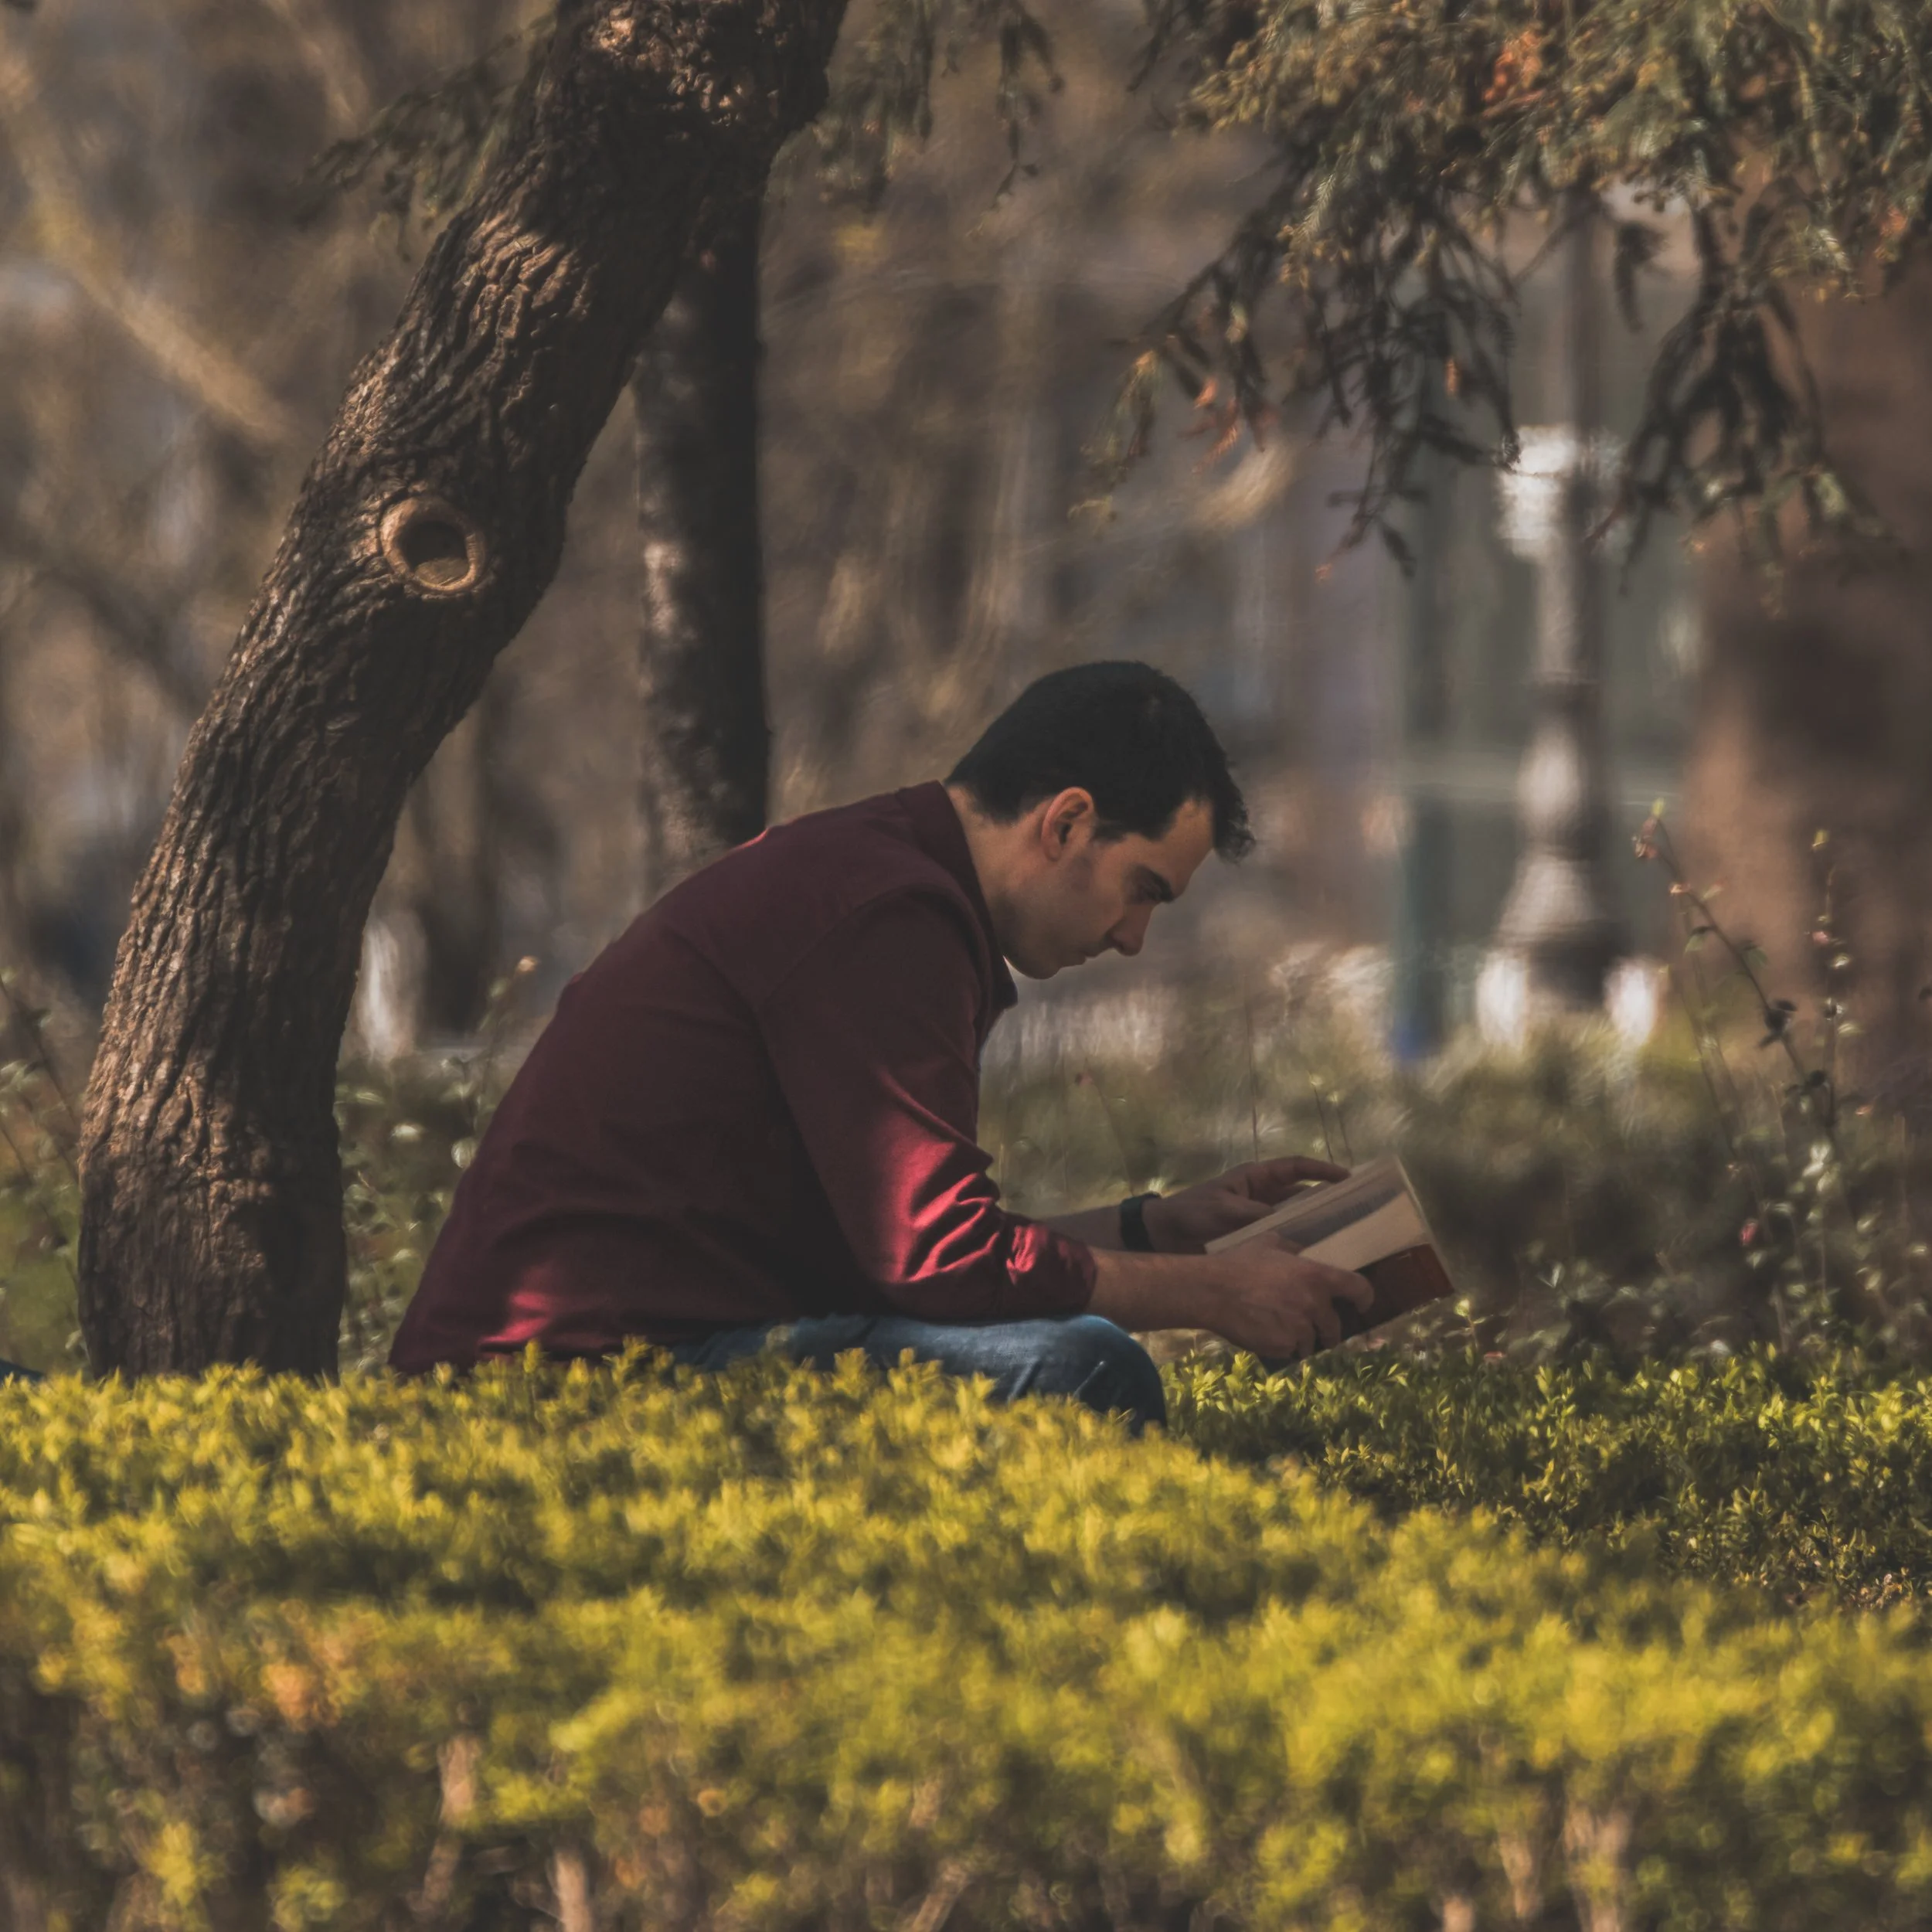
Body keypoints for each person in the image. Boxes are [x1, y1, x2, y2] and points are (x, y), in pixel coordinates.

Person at [388, 662, 1370, 1430]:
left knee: (1072, 1350)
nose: (1130, 938)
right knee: (1080, 1368)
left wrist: (1156, 1230)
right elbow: (943, 1260)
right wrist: (1215, 1294)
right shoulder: (889, 915)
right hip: (557, 1393)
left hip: (618, 1359)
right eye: (1143, 889)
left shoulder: (879, 882)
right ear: (1066, 822)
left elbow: (909, 1254)